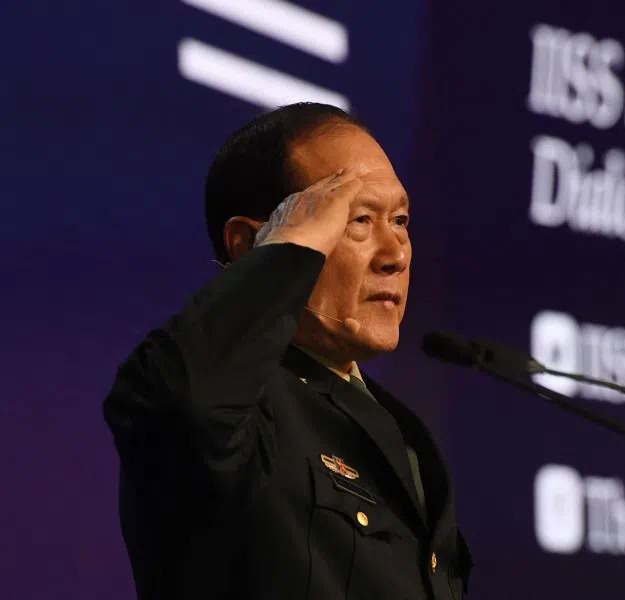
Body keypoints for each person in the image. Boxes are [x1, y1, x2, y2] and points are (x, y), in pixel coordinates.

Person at [103, 102, 473, 599]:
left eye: (401, 220)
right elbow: (178, 399)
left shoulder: (402, 431)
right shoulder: (234, 405)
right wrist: (287, 250)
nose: (396, 254)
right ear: (250, 244)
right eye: (358, 219)